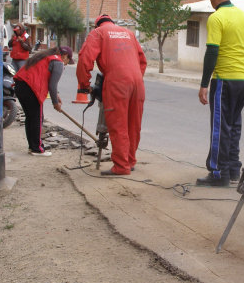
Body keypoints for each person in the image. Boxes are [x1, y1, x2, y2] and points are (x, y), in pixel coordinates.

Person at [196, 0, 244, 187]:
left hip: (224, 80)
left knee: (220, 126)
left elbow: (212, 51)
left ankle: (218, 174)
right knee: (234, 124)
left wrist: (204, 83)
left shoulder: (217, 17)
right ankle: (233, 169)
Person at [76, 14, 147, 176]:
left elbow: (85, 59)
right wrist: (134, 78)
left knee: (118, 124)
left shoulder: (98, 33)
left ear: (97, 25)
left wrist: (84, 85)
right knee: (133, 124)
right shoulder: (128, 32)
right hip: (137, 82)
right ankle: (129, 161)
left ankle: (121, 166)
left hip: (117, 81)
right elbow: (142, 60)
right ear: (112, 23)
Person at [13, 46, 74, 157]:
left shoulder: (45, 56)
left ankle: (33, 146)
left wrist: (57, 95)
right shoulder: (58, 62)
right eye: (68, 61)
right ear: (65, 56)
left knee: (31, 118)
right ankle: (37, 149)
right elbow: (52, 85)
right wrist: (55, 103)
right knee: (37, 118)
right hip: (31, 88)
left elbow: (49, 80)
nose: (65, 64)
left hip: (20, 86)